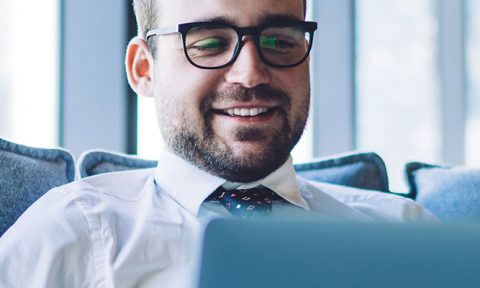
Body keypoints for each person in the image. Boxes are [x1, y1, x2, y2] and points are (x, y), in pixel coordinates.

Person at [0, 0, 436, 287]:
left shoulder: (407, 232)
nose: (250, 73)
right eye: (208, 43)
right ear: (143, 70)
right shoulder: (70, 234)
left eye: (281, 41)